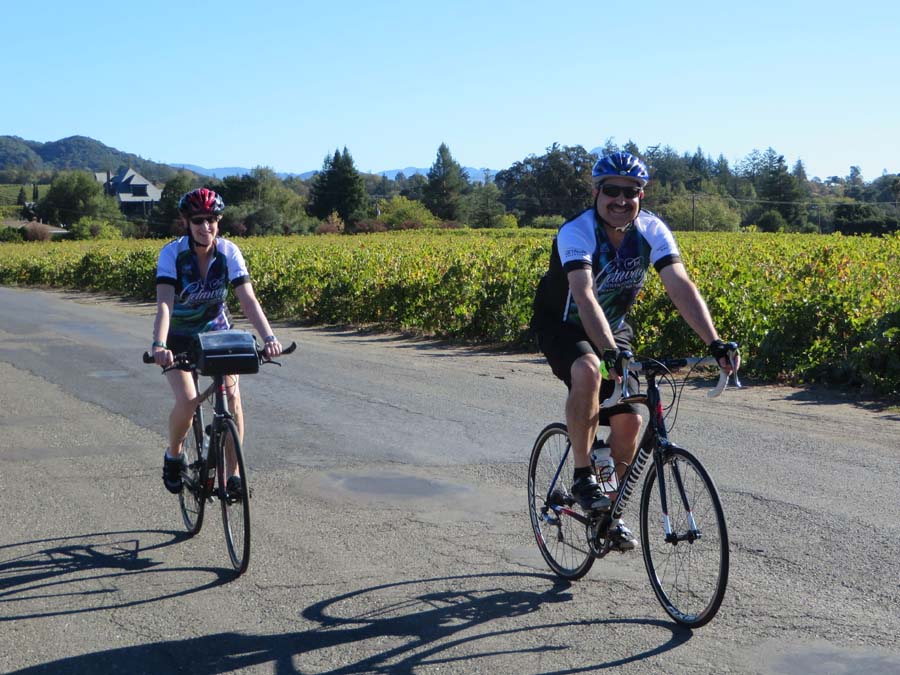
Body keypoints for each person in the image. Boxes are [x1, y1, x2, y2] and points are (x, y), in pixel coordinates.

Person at [530, 151, 738, 551]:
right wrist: (607, 351)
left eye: (632, 192)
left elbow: (679, 284)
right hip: (563, 324)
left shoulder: (651, 230)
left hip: (614, 327)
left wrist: (714, 342)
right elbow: (584, 295)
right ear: (596, 192)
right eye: (612, 191)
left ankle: (605, 509)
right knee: (589, 370)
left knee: (631, 424)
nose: (621, 200)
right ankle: (582, 474)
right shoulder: (577, 231)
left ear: (642, 195)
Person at [151, 187, 283, 497]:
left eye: (211, 219)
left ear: (218, 222)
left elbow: (247, 299)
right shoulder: (172, 253)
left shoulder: (229, 252)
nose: (205, 227)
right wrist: (159, 344)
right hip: (179, 336)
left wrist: (269, 337)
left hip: (217, 334)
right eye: (198, 220)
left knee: (233, 400)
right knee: (187, 400)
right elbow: (165, 303)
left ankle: (233, 476)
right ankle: (174, 456)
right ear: (187, 222)